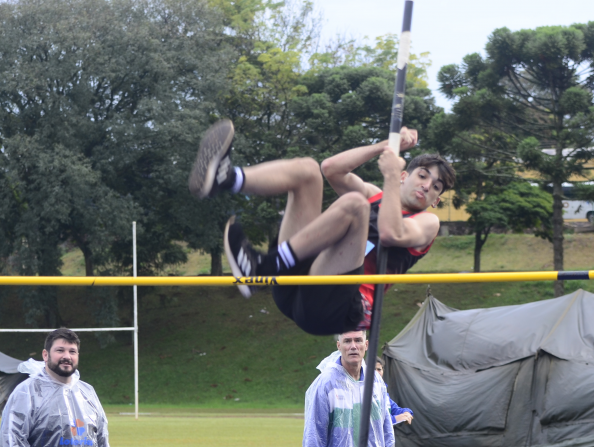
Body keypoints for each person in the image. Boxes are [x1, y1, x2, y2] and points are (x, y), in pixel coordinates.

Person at [188, 119, 454, 336]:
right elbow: (332, 169)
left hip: (334, 308)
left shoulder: (427, 222)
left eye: (436, 187)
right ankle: (227, 179)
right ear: (407, 175)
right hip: (301, 280)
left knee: (355, 205)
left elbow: (390, 233)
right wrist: (385, 146)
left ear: (436, 200)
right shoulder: (376, 194)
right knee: (309, 170)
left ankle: (264, 267)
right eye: (423, 175)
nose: (427, 186)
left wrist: (391, 176)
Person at [374, 356, 413, 425]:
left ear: (383, 371)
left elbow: (394, 409)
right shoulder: (364, 393)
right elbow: (375, 422)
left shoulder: (383, 392)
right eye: (373, 369)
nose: (376, 372)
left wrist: (406, 413)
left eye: (379, 369)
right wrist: (395, 419)